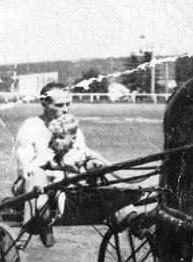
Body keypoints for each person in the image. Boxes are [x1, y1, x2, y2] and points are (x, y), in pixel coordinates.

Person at [14, 82, 124, 247]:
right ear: (44, 103)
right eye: (59, 105)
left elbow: (82, 153)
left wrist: (93, 164)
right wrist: (53, 167)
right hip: (31, 187)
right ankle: (35, 225)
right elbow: (25, 169)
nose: (65, 109)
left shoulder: (71, 127)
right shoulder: (30, 127)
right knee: (36, 174)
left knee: (99, 171)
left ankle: (129, 216)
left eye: (67, 104)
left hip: (63, 184)